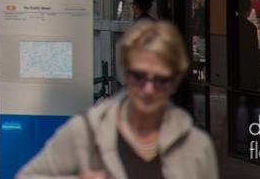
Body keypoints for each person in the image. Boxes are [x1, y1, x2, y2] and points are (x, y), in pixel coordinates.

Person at [19, 19, 216, 177]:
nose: (148, 89)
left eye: (160, 80)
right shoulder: (87, 131)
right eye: (139, 76)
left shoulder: (195, 146)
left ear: (174, 81)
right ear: (126, 73)